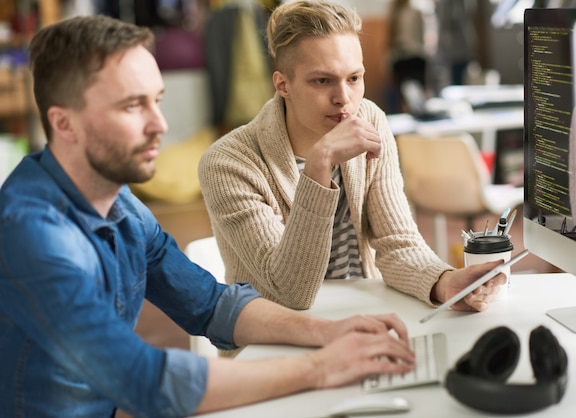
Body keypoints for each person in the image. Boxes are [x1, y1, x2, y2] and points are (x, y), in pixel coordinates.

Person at [0, 15, 417, 418]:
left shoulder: (122, 206)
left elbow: (213, 305)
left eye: (157, 101)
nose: (159, 124)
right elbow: (147, 381)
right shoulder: (30, 232)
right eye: (132, 106)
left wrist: (331, 332)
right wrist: (324, 367)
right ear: (64, 123)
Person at [198, 1, 506, 311]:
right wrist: (319, 165)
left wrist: (444, 283)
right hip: (273, 339)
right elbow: (289, 292)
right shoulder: (227, 163)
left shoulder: (369, 119)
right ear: (283, 85)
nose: (344, 99)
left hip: (358, 319)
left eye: (354, 78)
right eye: (322, 81)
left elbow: (397, 242)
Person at [386, 0, 434, 115]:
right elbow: (390, 39)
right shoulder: (395, 11)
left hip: (415, 57)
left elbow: (424, 38)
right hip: (403, 58)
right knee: (405, 97)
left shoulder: (417, 10)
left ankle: (421, 115)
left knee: (419, 95)